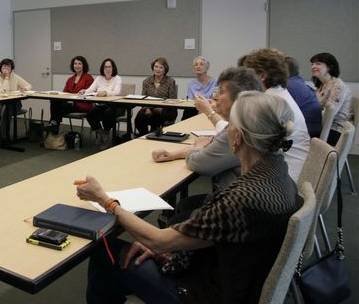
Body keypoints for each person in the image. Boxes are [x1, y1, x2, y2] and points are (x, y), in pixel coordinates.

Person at [77, 91, 299, 304]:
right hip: (237, 278)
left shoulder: (242, 199)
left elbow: (157, 239)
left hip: (203, 293)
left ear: (237, 137)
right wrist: (171, 249)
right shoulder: (280, 173)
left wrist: (106, 200)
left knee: (104, 255)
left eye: (229, 125)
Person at [151, 67, 263, 221]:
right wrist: (176, 154)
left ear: (239, 99)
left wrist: (197, 146)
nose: (215, 96)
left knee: (178, 218)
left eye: (221, 92)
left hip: (238, 210)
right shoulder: (253, 122)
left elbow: (199, 163)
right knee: (184, 206)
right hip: (245, 200)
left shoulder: (237, 133)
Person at [242, 48, 309, 181]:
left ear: (261, 75)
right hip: (293, 169)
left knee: (223, 170)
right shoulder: (280, 95)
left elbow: (241, 145)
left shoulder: (269, 104)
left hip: (284, 179)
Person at [310, 52, 353, 146]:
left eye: (318, 63)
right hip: (323, 126)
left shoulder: (338, 86)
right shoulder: (321, 86)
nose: (313, 66)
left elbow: (330, 115)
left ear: (329, 67)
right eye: (312, 64)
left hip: (335, 130)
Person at [46, 55, 94, 135]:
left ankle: (54, 125)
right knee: (54, 100)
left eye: (79, 64)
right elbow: (64, 93)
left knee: (60, 107)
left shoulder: (88, 78)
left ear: (83, 65)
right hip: (70, 104)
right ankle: (54, 124)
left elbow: (90, 93)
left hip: (82, 105)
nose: (77, 66)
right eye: (75, 64)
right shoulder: (70, 79)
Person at [82, 58, 123, 149]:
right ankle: (104, 134)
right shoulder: (99, 78)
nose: (107, 69)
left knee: (108, 113)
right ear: (102, 68)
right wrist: (84, 91)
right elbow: (91, 89)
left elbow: (117, 92)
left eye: (109, 67)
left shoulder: (117, 78)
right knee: (90, 115)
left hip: (116, 106)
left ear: (113, 68)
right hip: (102, 105)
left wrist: (105, 93)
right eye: (105, 67)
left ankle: (106, 133)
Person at [0, 58, 32, 141]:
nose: (6, 69)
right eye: (4, 67)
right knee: (6, 109)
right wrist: (6, 78)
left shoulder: (15, 76)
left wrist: (24, 89)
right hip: (1, 102)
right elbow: (4, 91)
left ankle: (3, 136)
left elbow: (29, 85)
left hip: (15, 103)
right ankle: (3, 135)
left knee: (8, 108)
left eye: (8, 67)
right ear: (0, 68)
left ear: (12, 69)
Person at [134, 57, 177, 136]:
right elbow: (143, 98)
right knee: (139, 118)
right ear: (153, 68)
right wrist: (146, 108)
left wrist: (161, 108)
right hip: (149, 107)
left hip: (165, 109)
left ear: (165, 70)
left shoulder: (170, 81)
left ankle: (153, 136)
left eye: (161, 67)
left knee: (156, 116)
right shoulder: (146, 81)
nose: (158, 69)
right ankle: (144, 136)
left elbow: (173, 99)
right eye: (156, 67)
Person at [285, 56, 322, 137]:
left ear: (285, 71)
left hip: (306, 133)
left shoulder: (289, 86)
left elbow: (283, 115)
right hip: (313, 129)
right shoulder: (298, 81)